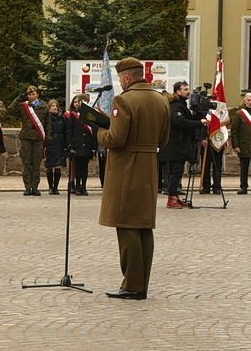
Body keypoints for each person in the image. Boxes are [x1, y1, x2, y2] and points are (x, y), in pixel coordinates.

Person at [97, 56, 171, 300]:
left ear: (127, 77)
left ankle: (132, 285)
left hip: (127, 168)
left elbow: (116, 138)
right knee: (143, 227)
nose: (120, 83)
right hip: (149, 165)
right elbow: (164, 139)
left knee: (127, 225)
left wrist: (100, 131)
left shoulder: (124, 100)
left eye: (120, 79)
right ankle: (141, 284)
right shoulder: (161, 100)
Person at [163, 80, 206, 209]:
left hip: (179, 145)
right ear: (178, 92)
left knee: (178, 171)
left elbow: (188, 120)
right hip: (175, 145)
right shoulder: (176, 105)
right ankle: (171, 199)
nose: (188, 92)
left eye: (188, 89)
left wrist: (199, 115)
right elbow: (179, 122)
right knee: (176, 172)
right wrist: (199, 123)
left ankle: (175, 196)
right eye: (185, 89)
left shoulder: (182, 105)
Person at [11, 85, 49, 195]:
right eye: (29, 94)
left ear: (37, 94)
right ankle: (28, 187)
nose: (31, 96)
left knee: (36, 164)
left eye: (33, 94)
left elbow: (48, 124)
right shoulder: (24, 106)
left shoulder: (44, 107)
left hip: (38, 139)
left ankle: (35, 187)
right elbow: (11, 109)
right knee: (27, 164)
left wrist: (47, 139)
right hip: (26, 138)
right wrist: (20, 97)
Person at [65, 94, 97, 196]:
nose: (79, 103)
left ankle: (84, 186)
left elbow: (94, 131)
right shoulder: (74, 115)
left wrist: (94, 147)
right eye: (78, 101)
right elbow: (69, 131)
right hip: (77, 145)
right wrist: (70, 145)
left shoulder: (90, 114)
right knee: (78, 167)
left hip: (87, 144)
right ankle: (77, 186)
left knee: (85, 168)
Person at [43, 99, 67, 195]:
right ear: (49, 108)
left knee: (58, 166)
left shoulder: (62, 118)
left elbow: (65, 130)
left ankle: (56, 187)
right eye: (52, 106)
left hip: (59, 143)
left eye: (56, 106)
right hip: (50, 143)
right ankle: (50, 187)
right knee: (49, 166)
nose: (54, 107)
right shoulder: (47, 118)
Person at [231, 92, 251, 194]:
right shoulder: (239, 114)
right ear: (244, 101)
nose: (250, 102)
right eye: (248, 100)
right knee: (244, 168)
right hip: (244, 145)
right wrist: (236, 145)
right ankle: (243, 187)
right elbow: (234, 131)